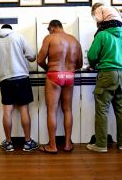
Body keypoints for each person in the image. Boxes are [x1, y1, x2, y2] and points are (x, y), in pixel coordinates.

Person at [86, 3, 122, 152]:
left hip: (107, 74)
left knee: (102, 109)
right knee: (121, 109)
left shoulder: (102, 35)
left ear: (103, 19)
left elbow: (92, 56)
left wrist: (94, 64)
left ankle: (101, 144)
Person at [0, 24, 38, 152]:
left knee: (6, 112)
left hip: (5, 79)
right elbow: (32, 56)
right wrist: (21, 57)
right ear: (10, 29)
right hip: (21, 77)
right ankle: (27, 142)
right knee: (24, 110)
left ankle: (9, 143)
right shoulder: (18, 36)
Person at [37, 20, 83, 154]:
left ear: (51, 28)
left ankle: (52, 146)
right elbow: (79, 64)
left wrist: (49, 69)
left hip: (54, 75)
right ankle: (68, 144)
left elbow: (40, 60)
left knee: (52, 111)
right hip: (69, 76)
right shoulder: (74, 40)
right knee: (67, 110)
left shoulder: (50, 38)